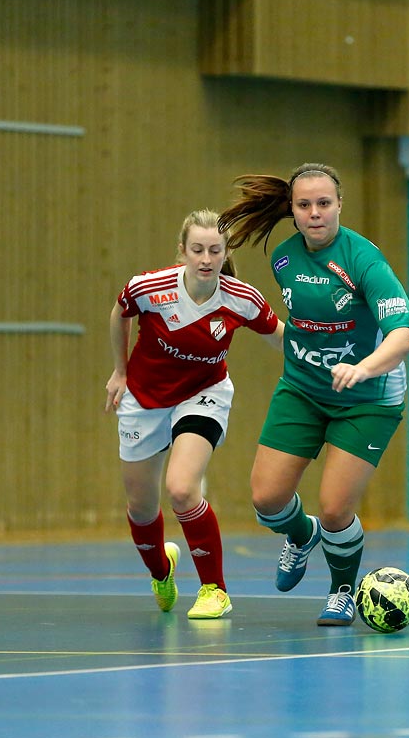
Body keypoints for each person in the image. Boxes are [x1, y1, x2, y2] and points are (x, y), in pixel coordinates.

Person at [219, 163, 409, 625]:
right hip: (303, 388)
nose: (314, 213)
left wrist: (362, 368)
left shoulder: (364, 262)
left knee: (334, 508)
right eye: (304, 205)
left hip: (368, 397)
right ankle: (299, 533)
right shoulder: (284, 258)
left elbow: (402, 336)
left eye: (323, 204)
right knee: (267, 499)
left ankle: (342, 590)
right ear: (292, 210)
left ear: (339, 206)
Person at [105, 209, 283, 620]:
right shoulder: (148, 288)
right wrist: (119, 370)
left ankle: (214, 589)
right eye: (198, 249)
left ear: (225, 253)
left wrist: (326, 358)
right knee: (141, 508)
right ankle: (160, 570)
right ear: (182, 252)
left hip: (203, 395)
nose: (206, 258)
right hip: (145, 398)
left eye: (215, 250)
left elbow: (280, 337)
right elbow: (120, 313)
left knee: (183, 488)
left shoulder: (242, 298)